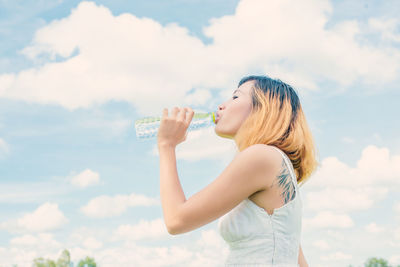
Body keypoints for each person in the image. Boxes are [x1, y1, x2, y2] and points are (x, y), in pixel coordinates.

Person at [157, 75, 319, 266]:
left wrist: (166, 145)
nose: (221, 106)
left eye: (235, 97)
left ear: (263, 108)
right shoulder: (274, 163)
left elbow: (176, 220)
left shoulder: (261, 157)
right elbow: (295, 254)